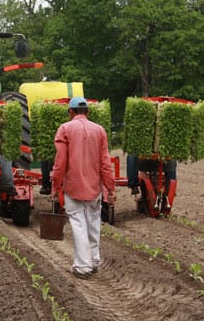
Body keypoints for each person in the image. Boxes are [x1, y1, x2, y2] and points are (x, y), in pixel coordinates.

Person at [52, 96, 116, 279]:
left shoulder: (65, 129)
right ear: (87, 112)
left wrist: (55, 185)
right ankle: (94, 260)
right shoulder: (100, 130)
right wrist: (110, 188)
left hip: (73, 187)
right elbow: (105, 163)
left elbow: (60, 162)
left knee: (78, 224)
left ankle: (82, 266)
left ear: (70, 112)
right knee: (94, 222)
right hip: (95, 187)